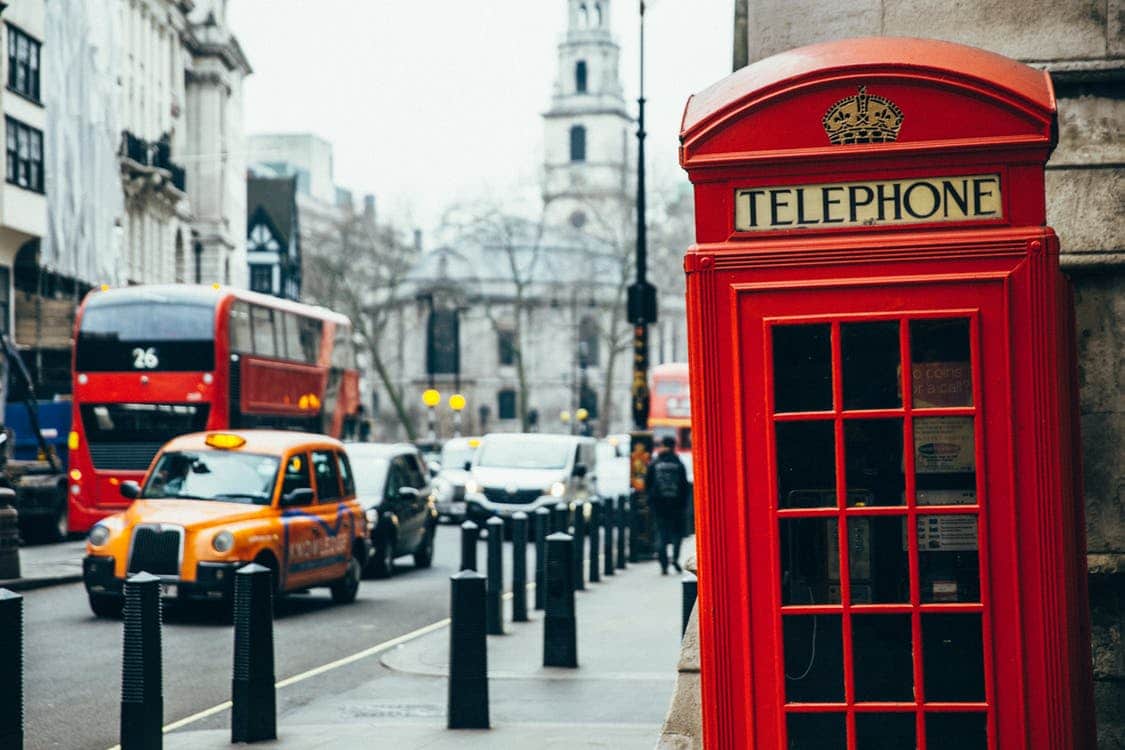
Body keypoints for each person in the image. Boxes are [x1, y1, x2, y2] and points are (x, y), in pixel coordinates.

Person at [646, 435, 690, 575]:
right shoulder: (678, 463)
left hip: (659, 507)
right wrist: (684, 505)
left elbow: (648, 484)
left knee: (661, 534)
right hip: (676, 506)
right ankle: (675, 558)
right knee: (677, 534)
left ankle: (663, 563)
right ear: (673, 446)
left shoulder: (655, 463)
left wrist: (651, 502)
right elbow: (684, 486)